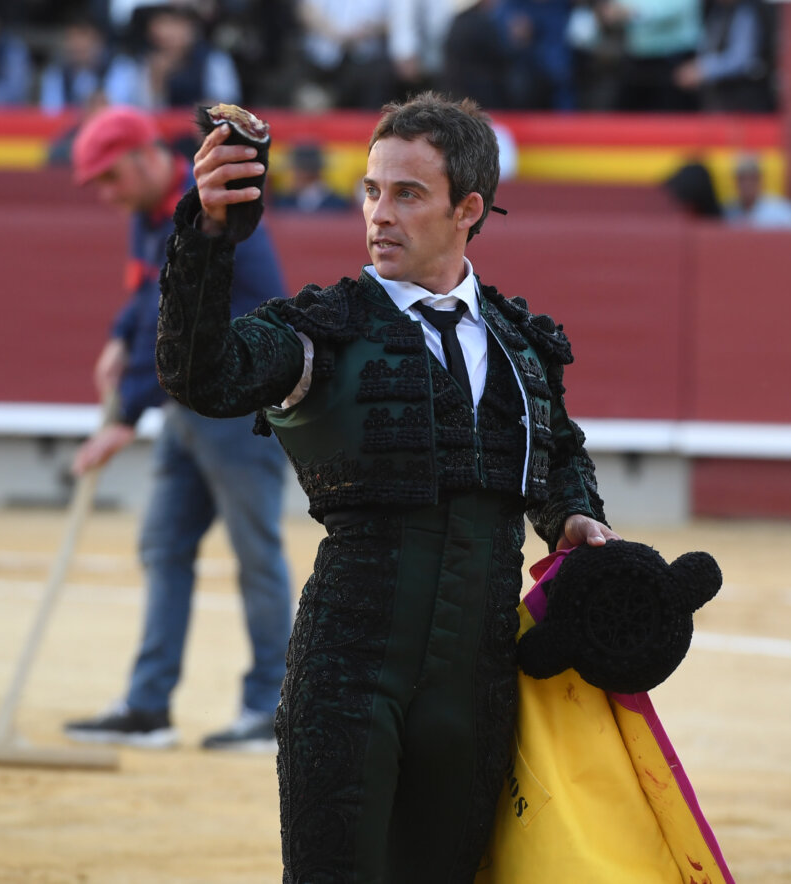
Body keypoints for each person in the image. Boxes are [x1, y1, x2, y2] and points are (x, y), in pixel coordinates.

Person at [155, 92, 619, 882]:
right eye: (371, 191)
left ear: (468, 209)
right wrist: (206, 239)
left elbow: (557, 452)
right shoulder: (324, 330)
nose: (379, 214)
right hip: (346, 670)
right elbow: (202, 374)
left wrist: (575, 516)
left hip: (475, 685)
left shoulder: (520, 345)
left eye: (407, 194)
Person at [61, 105, 295, 752]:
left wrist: (125, 417)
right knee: (164, 546)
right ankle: (148, 705)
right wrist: (117, 336)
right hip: (188, 407)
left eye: (109, 178)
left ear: (142, 156)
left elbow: (178, 314)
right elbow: (146, 299)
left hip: (240, 404)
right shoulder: (149, 212)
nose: (106, 196)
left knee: (255, 554)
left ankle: (272, 708)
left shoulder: (205, 203)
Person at [673, 0, 774, 112]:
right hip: (717, 100)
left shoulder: (747, 11)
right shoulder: (716, 11)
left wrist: (702, 70)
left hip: (744, 102)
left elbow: (741, 58)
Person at [723, 152, 791, 229]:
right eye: (742, 179)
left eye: (752, 179)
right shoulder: (728, 211)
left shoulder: (781, 209)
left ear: (760, 181)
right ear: (736, 182)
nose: (747, 184)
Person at [272, 142, 352, 213]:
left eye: (295, 170)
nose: (292, 176)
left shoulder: (338, 204)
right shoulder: (284, 202)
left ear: (309, 172)